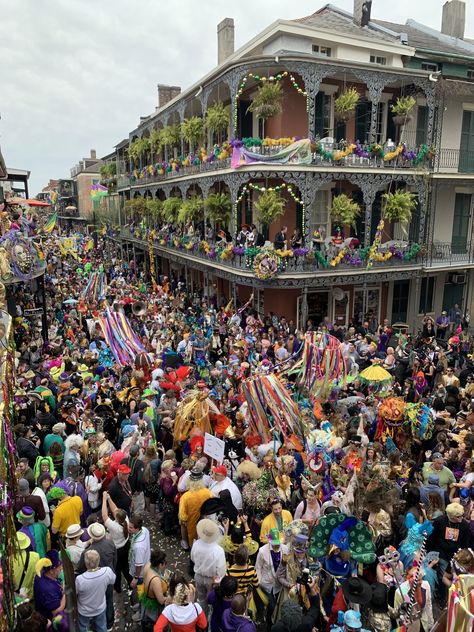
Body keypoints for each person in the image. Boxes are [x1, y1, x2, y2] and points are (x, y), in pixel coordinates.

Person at [76, 522, 118, 631]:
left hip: (93, 582)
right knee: (108, 601)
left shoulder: (87, 552)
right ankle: (108, 624)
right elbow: (115, 560)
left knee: (95, 602)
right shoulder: (110, 544)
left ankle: (98, 623)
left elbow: (80, 569)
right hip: (107, 579)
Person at [190, 518, 227, 616]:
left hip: (198, 576)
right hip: (212, 580)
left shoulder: (196, 544)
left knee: (201, 599)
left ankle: (202, 618)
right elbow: (221, 570)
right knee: (212, 601)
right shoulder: (218, 550)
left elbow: (192, 558)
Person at [75, 549, 116, 632]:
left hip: (84, 610)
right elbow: (113, 580)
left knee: (83, 627)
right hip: (99, 607)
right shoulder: (107, 571)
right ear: (99, 560)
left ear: (86, 563)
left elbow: (75, 592)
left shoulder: (80, 579)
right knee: (101, 627)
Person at [101, 490, 131, 592]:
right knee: (125, 566)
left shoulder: (114, 527)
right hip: (126, 545)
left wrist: (104, 499)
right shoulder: (126, 519)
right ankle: (131, 582)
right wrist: (109, 498)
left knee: (117, 569)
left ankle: (117, 588)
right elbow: (115, 509)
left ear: (117, 519)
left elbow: (105, 516)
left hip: (118, 550)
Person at [178, 468, 213, 547]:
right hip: (205, 523)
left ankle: (188, 545)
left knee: (193, 540)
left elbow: (182, 516)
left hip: (192, 525)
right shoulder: (208, 493)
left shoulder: (185, 496)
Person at [136, 548, 169, 629]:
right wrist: (171, 598)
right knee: (155, 624)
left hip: (147, 594)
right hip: (154, 606)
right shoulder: (156, 580)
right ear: (160, 565)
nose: (165, 565)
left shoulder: (148, 565)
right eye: (165, 563)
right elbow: (161, 600)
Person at [33, 550, 66, 624]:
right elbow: (56, 612)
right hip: (50, 622)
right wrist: (65, 594)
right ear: (51, 571)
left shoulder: (42, 574)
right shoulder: (48, 589)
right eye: (58, 566)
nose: (61, 567)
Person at [13, 532, 40, 600]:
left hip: (12, 596)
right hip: (27, 595)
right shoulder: (35, 556)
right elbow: (37, 576)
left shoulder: (8, 560)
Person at [129, 513, 151, 589]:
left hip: (140, 574)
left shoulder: (138, 547)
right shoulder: (144, 530)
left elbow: (138, 565)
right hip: (146, 562)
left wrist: (135, 578)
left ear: (137, 528)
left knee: (139, 590)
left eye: (131, 528)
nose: (128, 528)